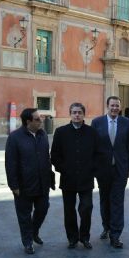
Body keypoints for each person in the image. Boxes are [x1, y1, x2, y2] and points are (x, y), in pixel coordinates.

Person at [5, 108, 54, 255]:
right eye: (38, 119)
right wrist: (14, 185)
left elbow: (47, 157)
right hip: (23, 185)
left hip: (42, 183)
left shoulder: (43, 135)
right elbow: (10, 163)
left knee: (43, 208)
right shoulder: (14, 138)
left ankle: (34, 231)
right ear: (28, 122)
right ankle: (27, 241)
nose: (41, 120)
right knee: (24, 215)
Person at [51, 103, 99, 249]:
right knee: (69, 210)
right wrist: (63, 169)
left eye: (79, 112)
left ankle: (84, 237)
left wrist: (92, 169)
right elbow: (54, 155)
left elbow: (98, 154)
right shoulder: (61, 132)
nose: (77, 115)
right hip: (68, 179)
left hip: (86, 179)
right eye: (74, 112)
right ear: (70, 114)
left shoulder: (92, 132)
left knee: (86, 208)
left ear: (84, 114)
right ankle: (72, 238)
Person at [91, 96, 129, 244]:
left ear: (120, 108)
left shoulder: (127, 123)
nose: (115, 108)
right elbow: (93, 147)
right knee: (104, 200)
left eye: (117, 106)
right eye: (112, 105)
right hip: (102, 169)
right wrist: (94, 168)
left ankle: (115, 234)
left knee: (117, 201)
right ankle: (107, 227)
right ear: (107, 106)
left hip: (120, 169)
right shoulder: (97, 122)